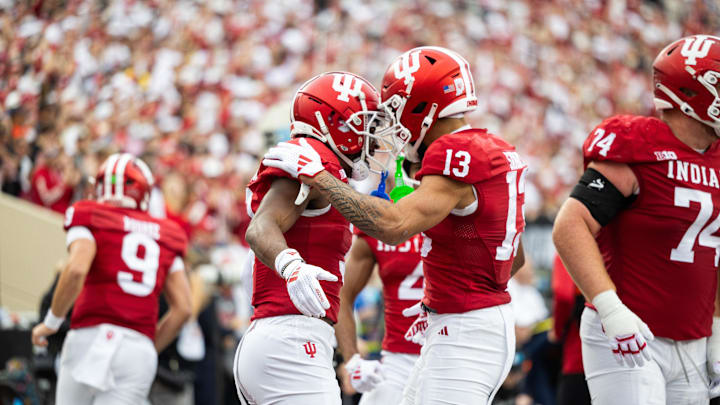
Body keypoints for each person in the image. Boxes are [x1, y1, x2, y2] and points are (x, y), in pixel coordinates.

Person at [262, 46, 526, 405]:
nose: (394, 125)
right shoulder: (492, 148)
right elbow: (515, 257)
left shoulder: (453, 153)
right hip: (468, 323)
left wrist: (320, 177)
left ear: (424, 107)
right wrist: (454, 297)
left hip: (466, 332)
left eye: (396, 111)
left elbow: (394, 224)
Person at [552, 34, 720, 404]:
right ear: (692, 94)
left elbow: (712, 254)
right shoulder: (638, 144)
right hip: (630, 331)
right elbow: (570, 224)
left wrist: (717, 327)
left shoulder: (717, 157)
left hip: (691, 338)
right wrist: (611, 309)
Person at [234, 71, 398, 405]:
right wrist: (291, 265)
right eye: (362, 125)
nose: (372, 138)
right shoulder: (310, 158)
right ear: (333, 123)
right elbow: (261, 227)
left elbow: (325, 291)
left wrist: (349, 357)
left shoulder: (326, 172)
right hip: (290, 342)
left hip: (289, 339)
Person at [31, 153, 192, 405]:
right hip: (137, 347)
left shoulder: (89, 213)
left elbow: (75, 270)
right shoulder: (168, 233)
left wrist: (51, 322)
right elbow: (183, 308)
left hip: (89, 336)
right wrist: (148, 344)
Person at [337, 159, 424, 404]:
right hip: (398, 359)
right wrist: (352, 358)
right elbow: (342, 295)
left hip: (450, 354)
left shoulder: (460, 215)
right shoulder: (383, 223)